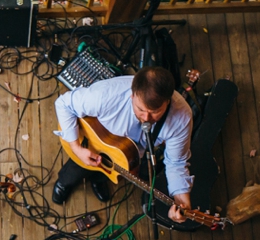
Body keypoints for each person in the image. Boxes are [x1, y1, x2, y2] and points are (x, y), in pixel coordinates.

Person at [53, 66, 193, 222]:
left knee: (110, 170)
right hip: (92, 141)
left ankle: (98, 180)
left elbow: (177, 161)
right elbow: (64, 104)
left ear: (168, 102)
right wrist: (76, 148)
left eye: (155, 112)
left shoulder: (181, 118)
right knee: (76, 168)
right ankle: (64, 183)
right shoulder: (104, 96)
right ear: (132, 96)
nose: (146, 118)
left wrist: (182, 199)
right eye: (140, 109)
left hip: (126, 154)